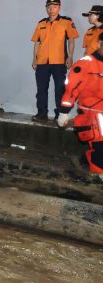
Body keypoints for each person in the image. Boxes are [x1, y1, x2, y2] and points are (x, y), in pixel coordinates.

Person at [56, 33, 103, 178]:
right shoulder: (86, 63)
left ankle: (84, 161)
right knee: (100, 145)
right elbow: (71, 89)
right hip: (92, 113)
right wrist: (64, 112)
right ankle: (98, 175)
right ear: (100, 43)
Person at [31, 0, 79, 122]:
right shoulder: (41, 23)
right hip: (42, 62)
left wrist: (70, 56)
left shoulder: (66, 22)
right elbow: (37, 43)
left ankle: (60, 114)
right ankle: (42, 113)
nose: (51, 9)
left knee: (60, 89)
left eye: (54, 7)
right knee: (41, 90)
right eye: (49, 7)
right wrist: (34, 59)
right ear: (46, 8)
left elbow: (71, 40)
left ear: (59, 7)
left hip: (59, 62)